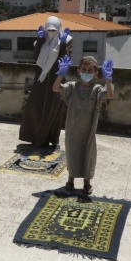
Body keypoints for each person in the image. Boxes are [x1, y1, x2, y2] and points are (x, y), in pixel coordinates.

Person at [52, 55, 114, 194]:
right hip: (72, 129)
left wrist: (108, 79)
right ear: (78, 71)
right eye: (84, 69)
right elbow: (56, 88)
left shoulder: (97, 89)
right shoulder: (72, 87)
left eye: (90, 70)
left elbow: (110, 95)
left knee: (88, 154)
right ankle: (70, 180)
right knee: (72, 153)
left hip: (89, 131)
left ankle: (87, 182)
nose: (87, 72)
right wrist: (61, 74)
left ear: (95, 73)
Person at [19, 16, 72, 148]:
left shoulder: (67, 40)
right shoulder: (40, 42)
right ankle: (34, 137)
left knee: (52, 110)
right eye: (49, 30)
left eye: (54, 30)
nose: (51, 32)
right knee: (35, 107)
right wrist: (40, 41)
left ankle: (50, 138)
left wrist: (63, 45)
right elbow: (37, 58)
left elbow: (65, 59)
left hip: (56, 80)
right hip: (41, 80)